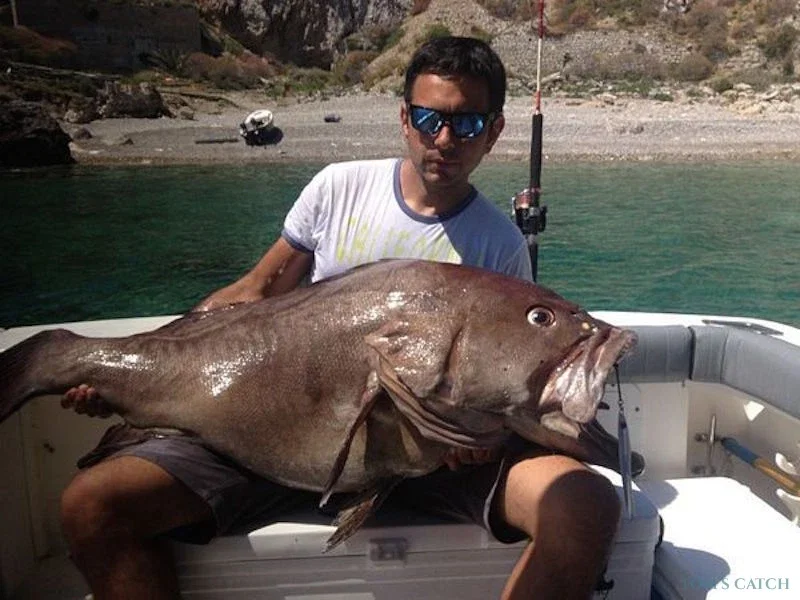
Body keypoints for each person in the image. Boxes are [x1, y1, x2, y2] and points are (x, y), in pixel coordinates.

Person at [60, 36, 620, 599]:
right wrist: (134, 361)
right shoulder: (338, 187)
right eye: (429, 119)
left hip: (428, 463)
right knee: (92, 504)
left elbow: (506, 391)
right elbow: (255, 292)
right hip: (269, 435)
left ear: (494, 131)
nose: (445, 139)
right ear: (404, 119)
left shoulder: (500, 246)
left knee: (584, 506)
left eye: (468, 124)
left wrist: (483, 441)